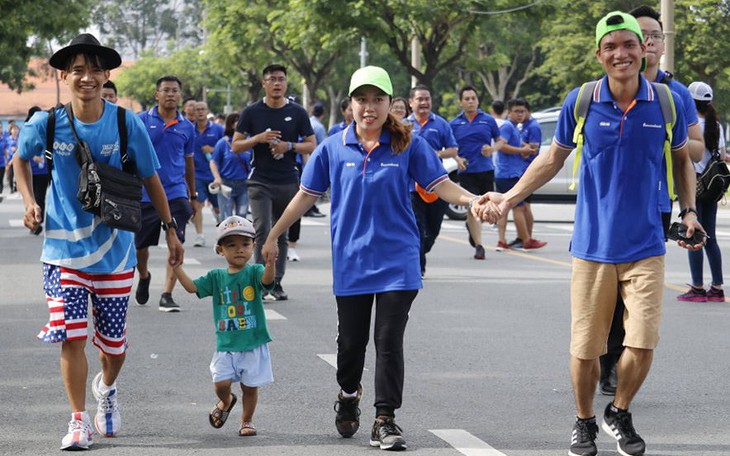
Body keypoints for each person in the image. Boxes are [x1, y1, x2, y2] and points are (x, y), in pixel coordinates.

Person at [478, 12, 700, 456]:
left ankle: (619, 410)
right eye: (611, 46)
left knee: (643, 342)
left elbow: (682, 160)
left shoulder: (666, 102)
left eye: (630, 44)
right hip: (593, 248)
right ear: (599, 54)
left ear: (644, 49)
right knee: (586, 350)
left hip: (647, 245)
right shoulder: (581, 101)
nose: (622, 53)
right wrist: (507, 197)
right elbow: (551, 158)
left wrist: (690, 211)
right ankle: (584, 421)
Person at [261, 66, 485, 451]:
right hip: (352, 261)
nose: (370, 107)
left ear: (389, 103)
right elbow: (305, 194)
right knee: (351, 344)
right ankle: (348, 394)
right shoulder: (333, 147)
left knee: (388, 340)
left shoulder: (408, 144)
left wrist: (473, 200)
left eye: (378, 99)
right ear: (350, 104)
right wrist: (274, 234)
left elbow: (440, 184)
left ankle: (385, 419)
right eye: (362, 99)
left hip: (399, 259)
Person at [13, 33, 183, 451]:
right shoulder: (47, 122)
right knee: (71, 335)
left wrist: (170, 228)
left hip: (115, 250)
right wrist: (30, 201)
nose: (86, 77)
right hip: (62, 250)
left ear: (106, 75)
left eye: (94, 70)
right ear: (65, 76)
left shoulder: (126, 123)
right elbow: (20, 157)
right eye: (78, 71)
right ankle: (77, 421)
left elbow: (150, 178)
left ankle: (106, 388)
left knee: (113, 346)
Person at [597, 3, 710, 396]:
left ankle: (619, 361)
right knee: (608, 294)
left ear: (661, 44)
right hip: (607, 209)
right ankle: (607, 359)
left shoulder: (674, 95)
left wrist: (672, 143)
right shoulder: (601, 90)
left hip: (656, 205)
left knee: (636, 295)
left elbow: (695, 149)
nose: (646, 42)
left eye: (654, 35)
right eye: (639, 35)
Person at [173, 215, 274, 437]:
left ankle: (247, 421)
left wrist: (270, 263)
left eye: (245, 245)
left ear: (254, 246)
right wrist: (178, 268)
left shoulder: (254, 271)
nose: (239, 250)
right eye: (231, 245)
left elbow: (267, 281)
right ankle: (226, 400)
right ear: (220, 250)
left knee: (250, 387)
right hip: (226, 343)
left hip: (252, 342)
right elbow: (192, 288)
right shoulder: (216, 277)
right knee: (220, 382)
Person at [231, 64, 316, 301]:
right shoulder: (252, 112)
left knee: (281, 232)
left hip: (288, 179)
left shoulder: (297, 112)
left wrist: (288, 146)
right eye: (272, 79)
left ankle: (276, 281)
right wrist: (258, 138)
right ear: (264, 84)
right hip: (260, 181)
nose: (277, 83)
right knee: (262, 230)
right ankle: (260, 281)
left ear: (286, 83)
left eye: (281, 79)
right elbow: (235, 145)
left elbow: (311, 144)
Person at [136, 76, 196, 312]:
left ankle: (167, 293)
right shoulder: (141, 121)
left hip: (175, 192)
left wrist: (193, 194)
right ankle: (143, 275)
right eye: (166, 90)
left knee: (176, 242)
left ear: (180, 96)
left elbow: (189, 162)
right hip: (145, 194)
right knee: (141, 247)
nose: (171, 94)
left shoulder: (187, 127)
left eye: (175, 91)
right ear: (156, 94)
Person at [406, 84, 464, 275]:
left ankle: (421, 251)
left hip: (437, 185)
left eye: (427, 99)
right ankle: (418, 267)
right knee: (417, 228)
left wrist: (436, 153)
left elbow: (453, 149)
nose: (424, 103)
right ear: (411, 102)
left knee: (432, 230)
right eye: (420, 99)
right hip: (412, 187)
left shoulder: (441, 124)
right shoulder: (403, 126)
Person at [676, 81, 726, 302]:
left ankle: (697, 288)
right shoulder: (716, 124)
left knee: (694, 234)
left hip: (693, 184)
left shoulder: (691, 124)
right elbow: (722, 155)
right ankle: (717, 287)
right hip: (712, 184)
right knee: (711, 237)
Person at [449, 85, 504, 258]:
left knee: (487, 210)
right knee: (474, 207)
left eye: (473, 98)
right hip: (466, 172)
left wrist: (492, 149)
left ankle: (472, 228)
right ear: (460, 103)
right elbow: (450, 148)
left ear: (478, 100)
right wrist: (457, 159)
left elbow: (500, 141)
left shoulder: (488, 120)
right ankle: (479, 246)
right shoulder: (454, 124)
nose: (470, 101)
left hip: (486, 170)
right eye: (467, 99)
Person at [493, 99, 545, 251]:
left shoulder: (514, 127)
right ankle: (526, 240)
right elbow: (502, 146)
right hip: (510, 173)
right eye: (516, 111)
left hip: (506, 172)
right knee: (519, 208)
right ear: (508, 113)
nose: (520, 114)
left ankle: (502, 241)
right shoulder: (509, 126)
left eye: (522, 111)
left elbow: (516, 144)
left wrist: (525, 148)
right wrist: (523, 151)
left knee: (505, 207)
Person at [191, 101, 225, 247]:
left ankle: (222, 231)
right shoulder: (189, 129)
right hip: (197, 174)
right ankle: (200, 235)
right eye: (197, 109)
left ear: (207, 111)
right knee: (197, 205)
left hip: (215, 174)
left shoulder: (217, 129)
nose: (200, 112)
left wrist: (212, 150)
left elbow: (227, 147)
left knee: (217, 207)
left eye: (202, 109)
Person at [210, 113, 251, 219]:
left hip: (244, 185)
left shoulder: (248, 142)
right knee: (226, 217)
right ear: (232, 124)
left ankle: (239, 236)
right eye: (238, 121)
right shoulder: (223, 143)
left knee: (242, 216)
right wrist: (217, 178)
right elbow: (213, 161)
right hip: (226, 184)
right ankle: (226, 235)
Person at [24, 106, 49, 235]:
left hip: (44, 171)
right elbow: (21, 153)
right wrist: (33, 156)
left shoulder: (48, 129)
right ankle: (33, 220)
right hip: (31, 170)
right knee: (31, 197)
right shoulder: (27, 129)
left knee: (40, 196)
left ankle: (39, 221)